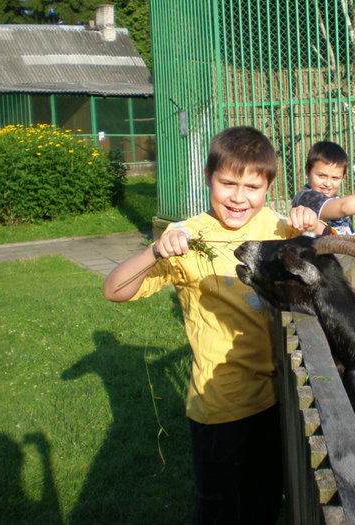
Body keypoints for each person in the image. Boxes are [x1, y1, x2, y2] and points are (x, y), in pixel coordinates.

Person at [103, 126, 323, 524]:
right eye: (227, 183)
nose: (239, 197)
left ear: (268, 186)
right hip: (220, 407)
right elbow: (114, 289)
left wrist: (311, 225)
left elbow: (321, 252)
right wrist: (154, 251)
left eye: (252, 187)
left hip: (278, 399)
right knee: (219, 509)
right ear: (209, 179)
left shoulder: (276, 227)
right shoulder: (186, 239)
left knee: (266, 502)